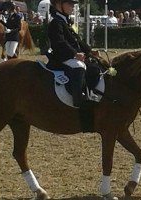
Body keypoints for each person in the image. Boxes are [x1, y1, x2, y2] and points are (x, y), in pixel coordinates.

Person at [48, 0, 99, 132]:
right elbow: (60, 43)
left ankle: (91, 93)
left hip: (70, 55)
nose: (72, 7)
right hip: (62, 57)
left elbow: (77, 40)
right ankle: (78, 99)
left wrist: (89, 51)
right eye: (69, 4)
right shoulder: (55, 22)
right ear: (59, 5)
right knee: (79, 66)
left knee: (93, 65)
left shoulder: (65, 21)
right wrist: (75, 54)